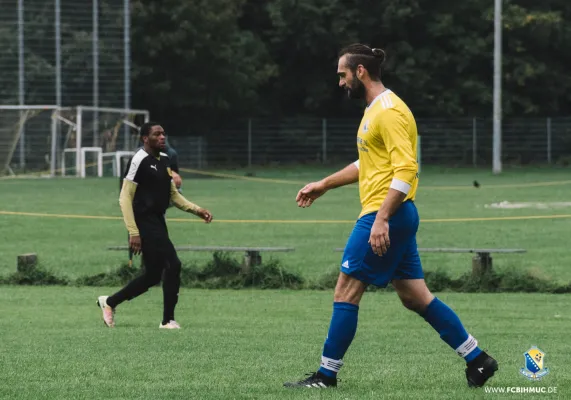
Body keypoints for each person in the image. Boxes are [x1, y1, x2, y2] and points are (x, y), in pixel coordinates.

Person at [284, 44, 498, 389]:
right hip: (394, 214)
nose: (340, 82)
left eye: (342, 75)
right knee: (415, 296)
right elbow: (366, 164)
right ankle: (478, 360)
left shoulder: (389, 112)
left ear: (360, 72)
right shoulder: (373, 111)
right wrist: (325, 184)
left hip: (386, 214)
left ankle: (325, 376)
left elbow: (406, 170)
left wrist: (382, 218)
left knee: (345, 291)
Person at [97, 122, 213, 329]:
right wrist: (133, 232)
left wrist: (197, 210)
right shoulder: (138, 159)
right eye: (156, 134)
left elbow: (173, 195)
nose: (162, 137)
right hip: (144, 222)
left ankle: (109, 302)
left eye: (163, 134)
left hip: (158, 221)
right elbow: (124, 197)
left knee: (152, 276)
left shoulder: (165, 160)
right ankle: (168, 320)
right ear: (144, 138)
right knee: (173, 264)